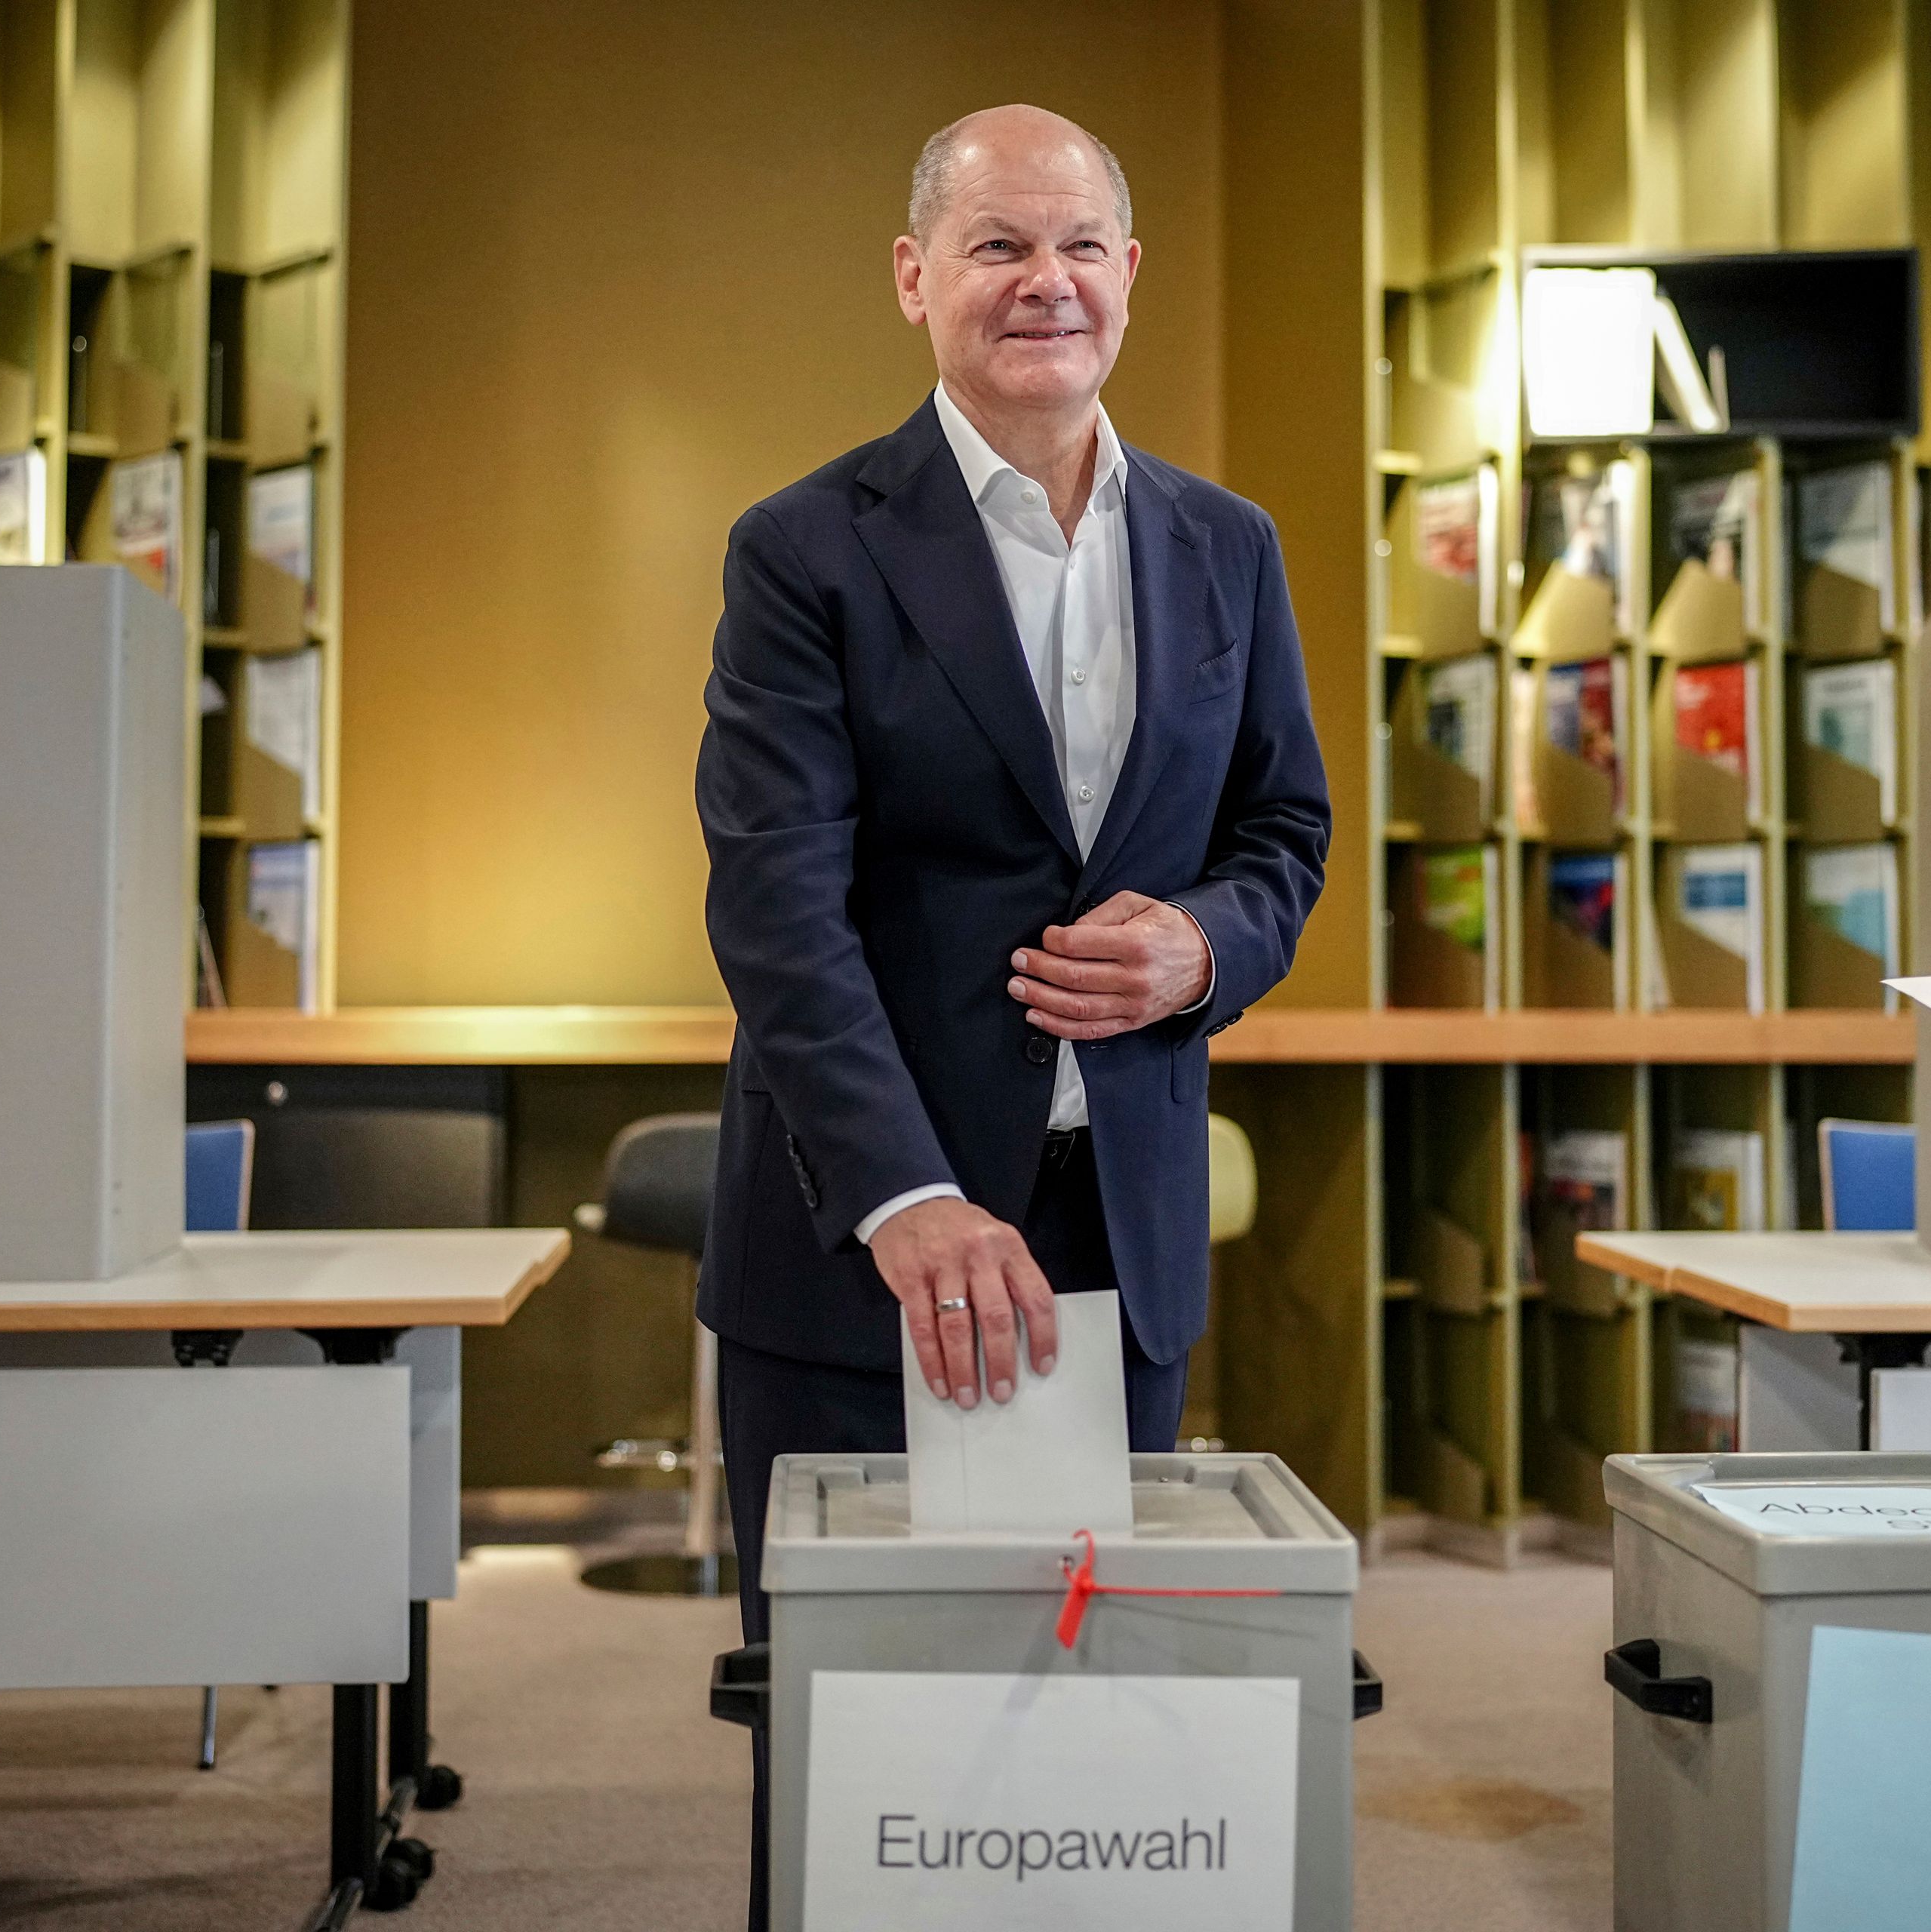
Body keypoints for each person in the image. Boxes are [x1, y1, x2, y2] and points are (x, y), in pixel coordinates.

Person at [692, 103, 1330, 1924]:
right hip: (865, 1236)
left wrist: (1210, 945)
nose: (1043, 282)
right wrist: (907, 1192)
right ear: (915, 279)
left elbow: (1285, 832)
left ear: (1133, 274)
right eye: (995, 247)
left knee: (1091, 1720)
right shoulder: (804, 547)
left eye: (1078, 246)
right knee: (856, 1742)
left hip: (1116, 1221)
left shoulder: (1229, 545)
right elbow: (776, 905)